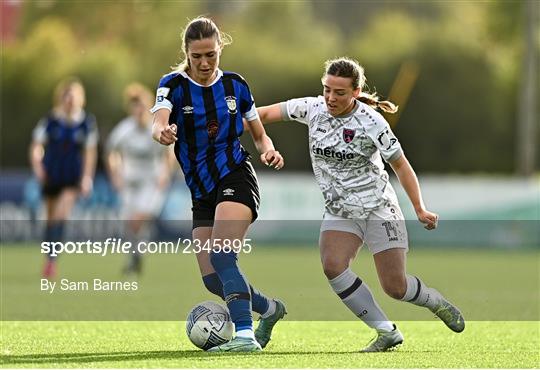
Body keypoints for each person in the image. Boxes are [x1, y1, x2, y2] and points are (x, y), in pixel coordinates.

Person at [256, 57, 465, 352]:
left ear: (355, 92)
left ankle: (435, 301)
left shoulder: (371, 122)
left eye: (339, 92)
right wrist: (237, 130)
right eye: (327, 89)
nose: (330, 97)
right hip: (340, 210)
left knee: (396, 287)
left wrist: (419, 207)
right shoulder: (311, 107)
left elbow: (401, 166)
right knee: (333, 266)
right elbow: (260, 115)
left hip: (377, 208)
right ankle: (386, 332)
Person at [151, 16, 286, 352]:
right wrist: (162, 133)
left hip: (236, 177)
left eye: (210, 54)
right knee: (213, 279)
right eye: (197, 56)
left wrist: (269, 151)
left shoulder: (236, 86)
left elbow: (259, 135)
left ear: (219, 50)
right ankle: (269, 310)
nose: (204, 62)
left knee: (223, 257)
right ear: (187, 53)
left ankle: (244, 336)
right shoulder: (172, 85)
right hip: (201, 192)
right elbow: (158, 122)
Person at [29, 77, 98, 279]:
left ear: (80, 99)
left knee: (60, 215)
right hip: (51, 176)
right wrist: (38, 166)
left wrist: (86, 178)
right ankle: (49, 257)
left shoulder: (86, 123)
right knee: (50, 220)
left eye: (73, 96)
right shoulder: (51, 121)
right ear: (61, 99)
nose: (69, 100)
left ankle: (52, 261)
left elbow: (89, 152)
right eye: (66, 96)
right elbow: (36, 145)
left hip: (71, 178)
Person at [106, 83, 175, 275]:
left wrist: (166, 174)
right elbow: (111, 152)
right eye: (134, 106)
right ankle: (135, 257)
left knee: (139, 220)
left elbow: (169, 153)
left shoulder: (157, 127)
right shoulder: (124, 129)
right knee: (130, 224)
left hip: (152, 182)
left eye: (142, 105)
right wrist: (115, 174)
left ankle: (136, 255)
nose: (138, 110)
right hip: (129, 182)